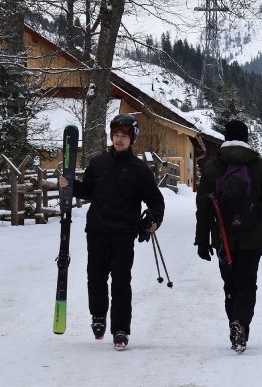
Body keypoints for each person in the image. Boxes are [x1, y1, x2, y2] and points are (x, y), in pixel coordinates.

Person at [80, 113, 165, 351]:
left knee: (120, 282)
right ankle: (98, 315)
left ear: (132, 139)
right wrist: (70, 186)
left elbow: (156, 201)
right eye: (116, 135)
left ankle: (120, 330)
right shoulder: (98, 163)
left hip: (123, 233)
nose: (119, 139)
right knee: (95, 277)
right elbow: (87, 190)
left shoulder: (139, 169)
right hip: (97, 229)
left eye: (124, 136)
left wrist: (153, 219)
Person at [194, 119, 262, 353]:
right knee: (247, 283)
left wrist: (202, 240)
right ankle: (240, 323)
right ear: (246, 139)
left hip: (223, 238)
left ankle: (234, 322)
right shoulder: (258, 165)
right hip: (253, 236)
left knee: (230, 284)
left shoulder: (213, 166)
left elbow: (203, 205)